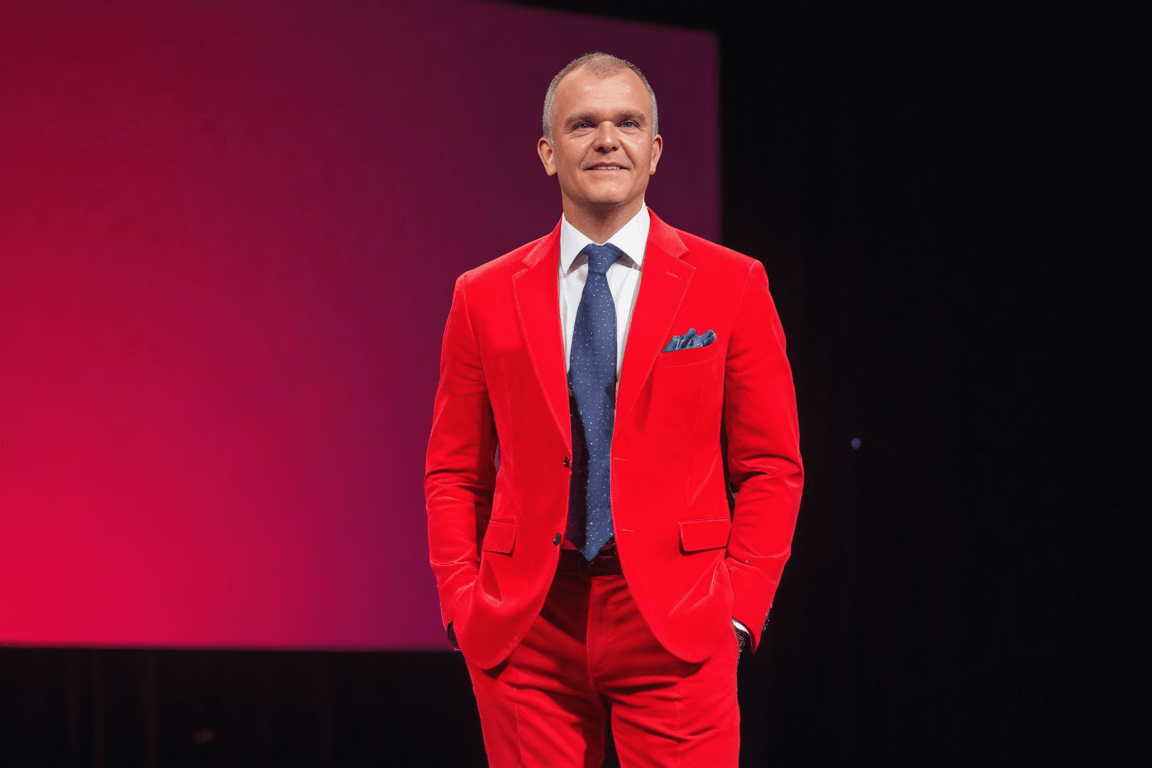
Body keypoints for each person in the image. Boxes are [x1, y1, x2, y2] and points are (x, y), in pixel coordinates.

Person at [425, 52, 803, 767]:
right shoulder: (482, 293)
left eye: (628, 123)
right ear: (547, 151)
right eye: (583, 124)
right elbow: (453, 470)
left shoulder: (732, 284)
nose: (607, 140)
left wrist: (737, 613)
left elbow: (771, 465)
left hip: (677, 619)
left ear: (655, 150)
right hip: (529, 622)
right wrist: (463, 606)